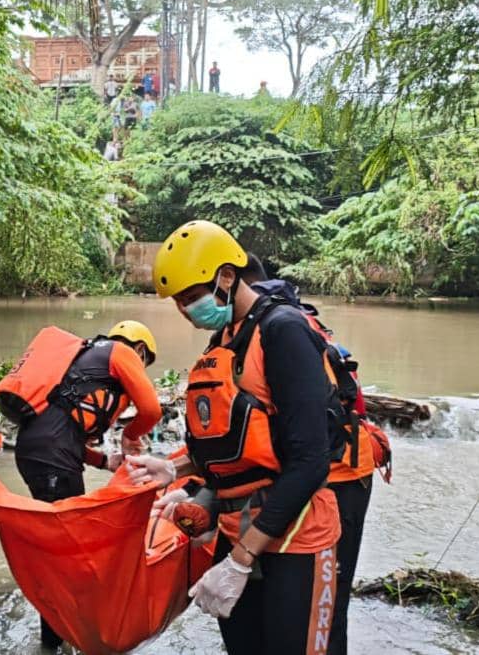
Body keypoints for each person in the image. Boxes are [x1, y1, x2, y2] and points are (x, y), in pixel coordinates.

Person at [129, 220, 341, 655]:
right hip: (237, 526)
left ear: (227, 276)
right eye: (179, 303)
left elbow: (309, 461)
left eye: (192, 297)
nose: (187, 311)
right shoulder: (224, 338)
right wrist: (176, 466)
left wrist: (242, 559)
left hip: (294, 536)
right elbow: (235, 436)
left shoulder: (283, 331)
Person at [240, 253, 384, 655]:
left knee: (327, 606)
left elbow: (309, 443)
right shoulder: (245, 329)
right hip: (295, 477)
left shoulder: (281, 328)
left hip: (339, 476)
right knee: (284, 609)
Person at [11, 320, 163, 649]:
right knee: (68, 560)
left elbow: (61, 429)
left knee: (58, 552)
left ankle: (56, 638)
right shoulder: (121, 352)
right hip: (52, 460)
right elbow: (151, 410)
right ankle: (66, 638)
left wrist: (105, 461)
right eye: (145, 363)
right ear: (139, 350)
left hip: (35, 453)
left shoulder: (83, 364)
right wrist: (131, 434)